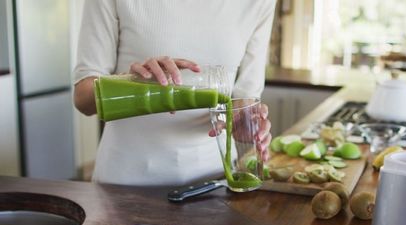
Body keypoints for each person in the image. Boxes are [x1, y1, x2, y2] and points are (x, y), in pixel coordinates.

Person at [73, 0, 275, 186]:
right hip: (125, 183)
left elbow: (244, 99)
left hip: (214, 183)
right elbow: (83, 99)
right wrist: (131, 83)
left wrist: (245, 124)